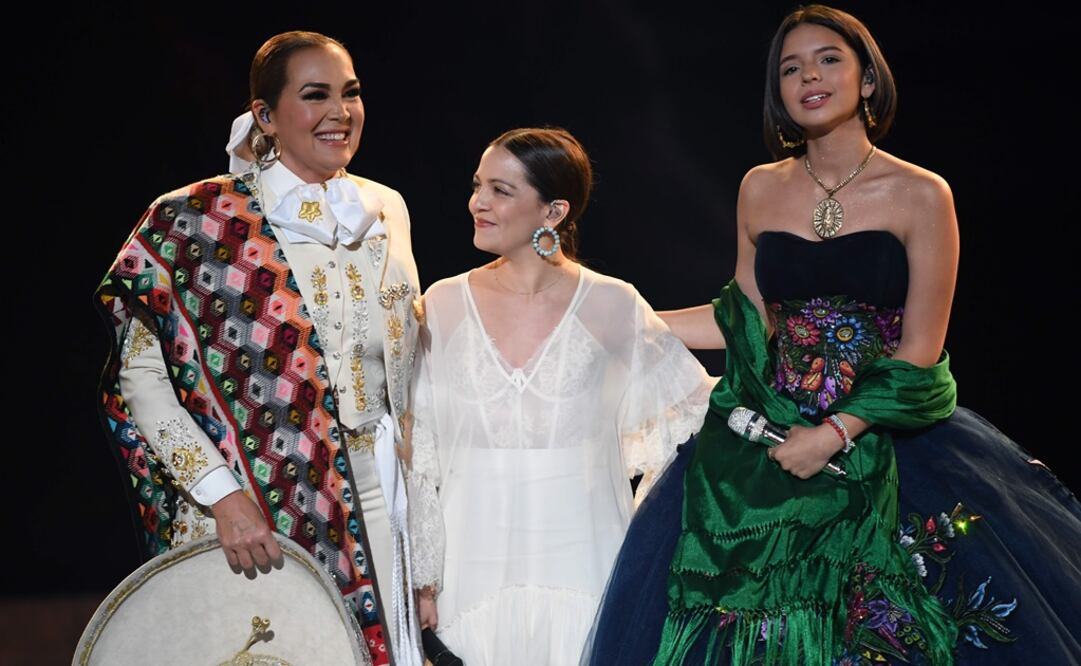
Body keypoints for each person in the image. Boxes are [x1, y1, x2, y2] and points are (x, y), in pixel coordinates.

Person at [584, 6, 1081, 665]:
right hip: (766, 438)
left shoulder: (920, 194)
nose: (808, 76)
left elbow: (921, 350)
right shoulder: (759, 189)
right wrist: (617, 318)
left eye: (827, 59)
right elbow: (746, 317)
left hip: (881, 440)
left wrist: (833, 433)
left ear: (867, 79)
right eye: (790, 68)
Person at [96, 30, 425, 665]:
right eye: (315, 96)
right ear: (265, 116)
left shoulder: (385, 206)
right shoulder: (197, 220)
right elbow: (142, 386)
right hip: (265, 503)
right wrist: (221, 494)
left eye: (350, 93)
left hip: (389, 496)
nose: (340, 112)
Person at [403, 127, 713, 665]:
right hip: (469, 571)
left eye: (501, 190)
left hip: (586, 562)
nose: (478, 202)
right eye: (478, 186)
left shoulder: (614, 304)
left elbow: (689, 421)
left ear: (553, 211)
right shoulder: (443, 303)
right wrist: (423, 579)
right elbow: (418, 453)